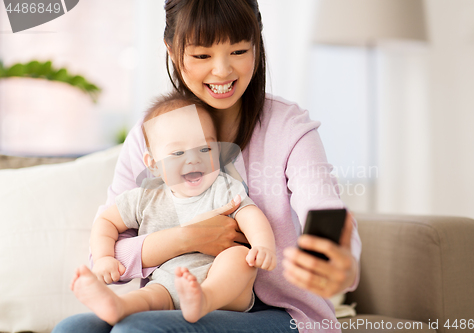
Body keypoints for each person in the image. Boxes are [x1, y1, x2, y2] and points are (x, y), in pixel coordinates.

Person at [53, 0, 361, 332]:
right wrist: (190, 238)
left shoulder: (288, 128)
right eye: (202, 55)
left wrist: (338, 262)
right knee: (75, 328)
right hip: (179, 296)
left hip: (285, 315)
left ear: (257, 42)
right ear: (172, 50)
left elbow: (323, 208)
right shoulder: (152, 134)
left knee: (137, 330)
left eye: (239, 51)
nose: (222, 71)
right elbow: (109, 252)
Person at [71, 93, 277, 325]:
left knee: (240, 257)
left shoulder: (223, 186)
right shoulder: (145, 197)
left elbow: (250, 214)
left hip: (225, 290)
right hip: (169, 283)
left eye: (205, 150)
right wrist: (104, 258)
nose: (193, 160)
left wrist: (262, 246)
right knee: (149, 296)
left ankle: (205, 298)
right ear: (153, 164)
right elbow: (106, 222)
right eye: (178, 153)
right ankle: (119, 307)